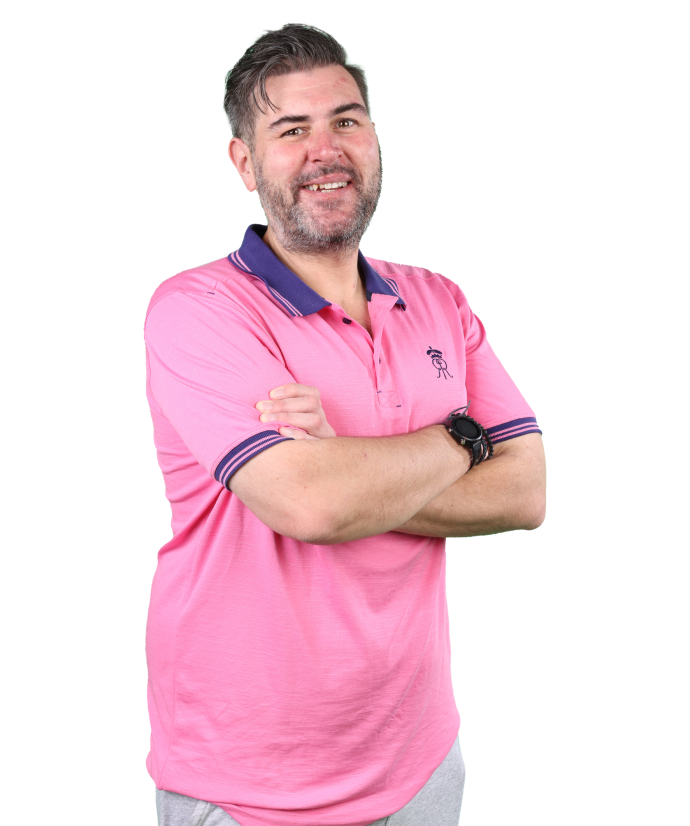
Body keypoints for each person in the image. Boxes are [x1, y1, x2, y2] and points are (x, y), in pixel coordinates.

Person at [144, 20, 546, 826]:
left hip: (420, 758)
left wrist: (343, 462)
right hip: (250, 781)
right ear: (244, 162)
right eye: (291, 130)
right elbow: (312, 507)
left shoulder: (438, 298)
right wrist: (465, 439)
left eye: (346, 120)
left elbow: (527, 494)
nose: (325, 150)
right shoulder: (198, 309)